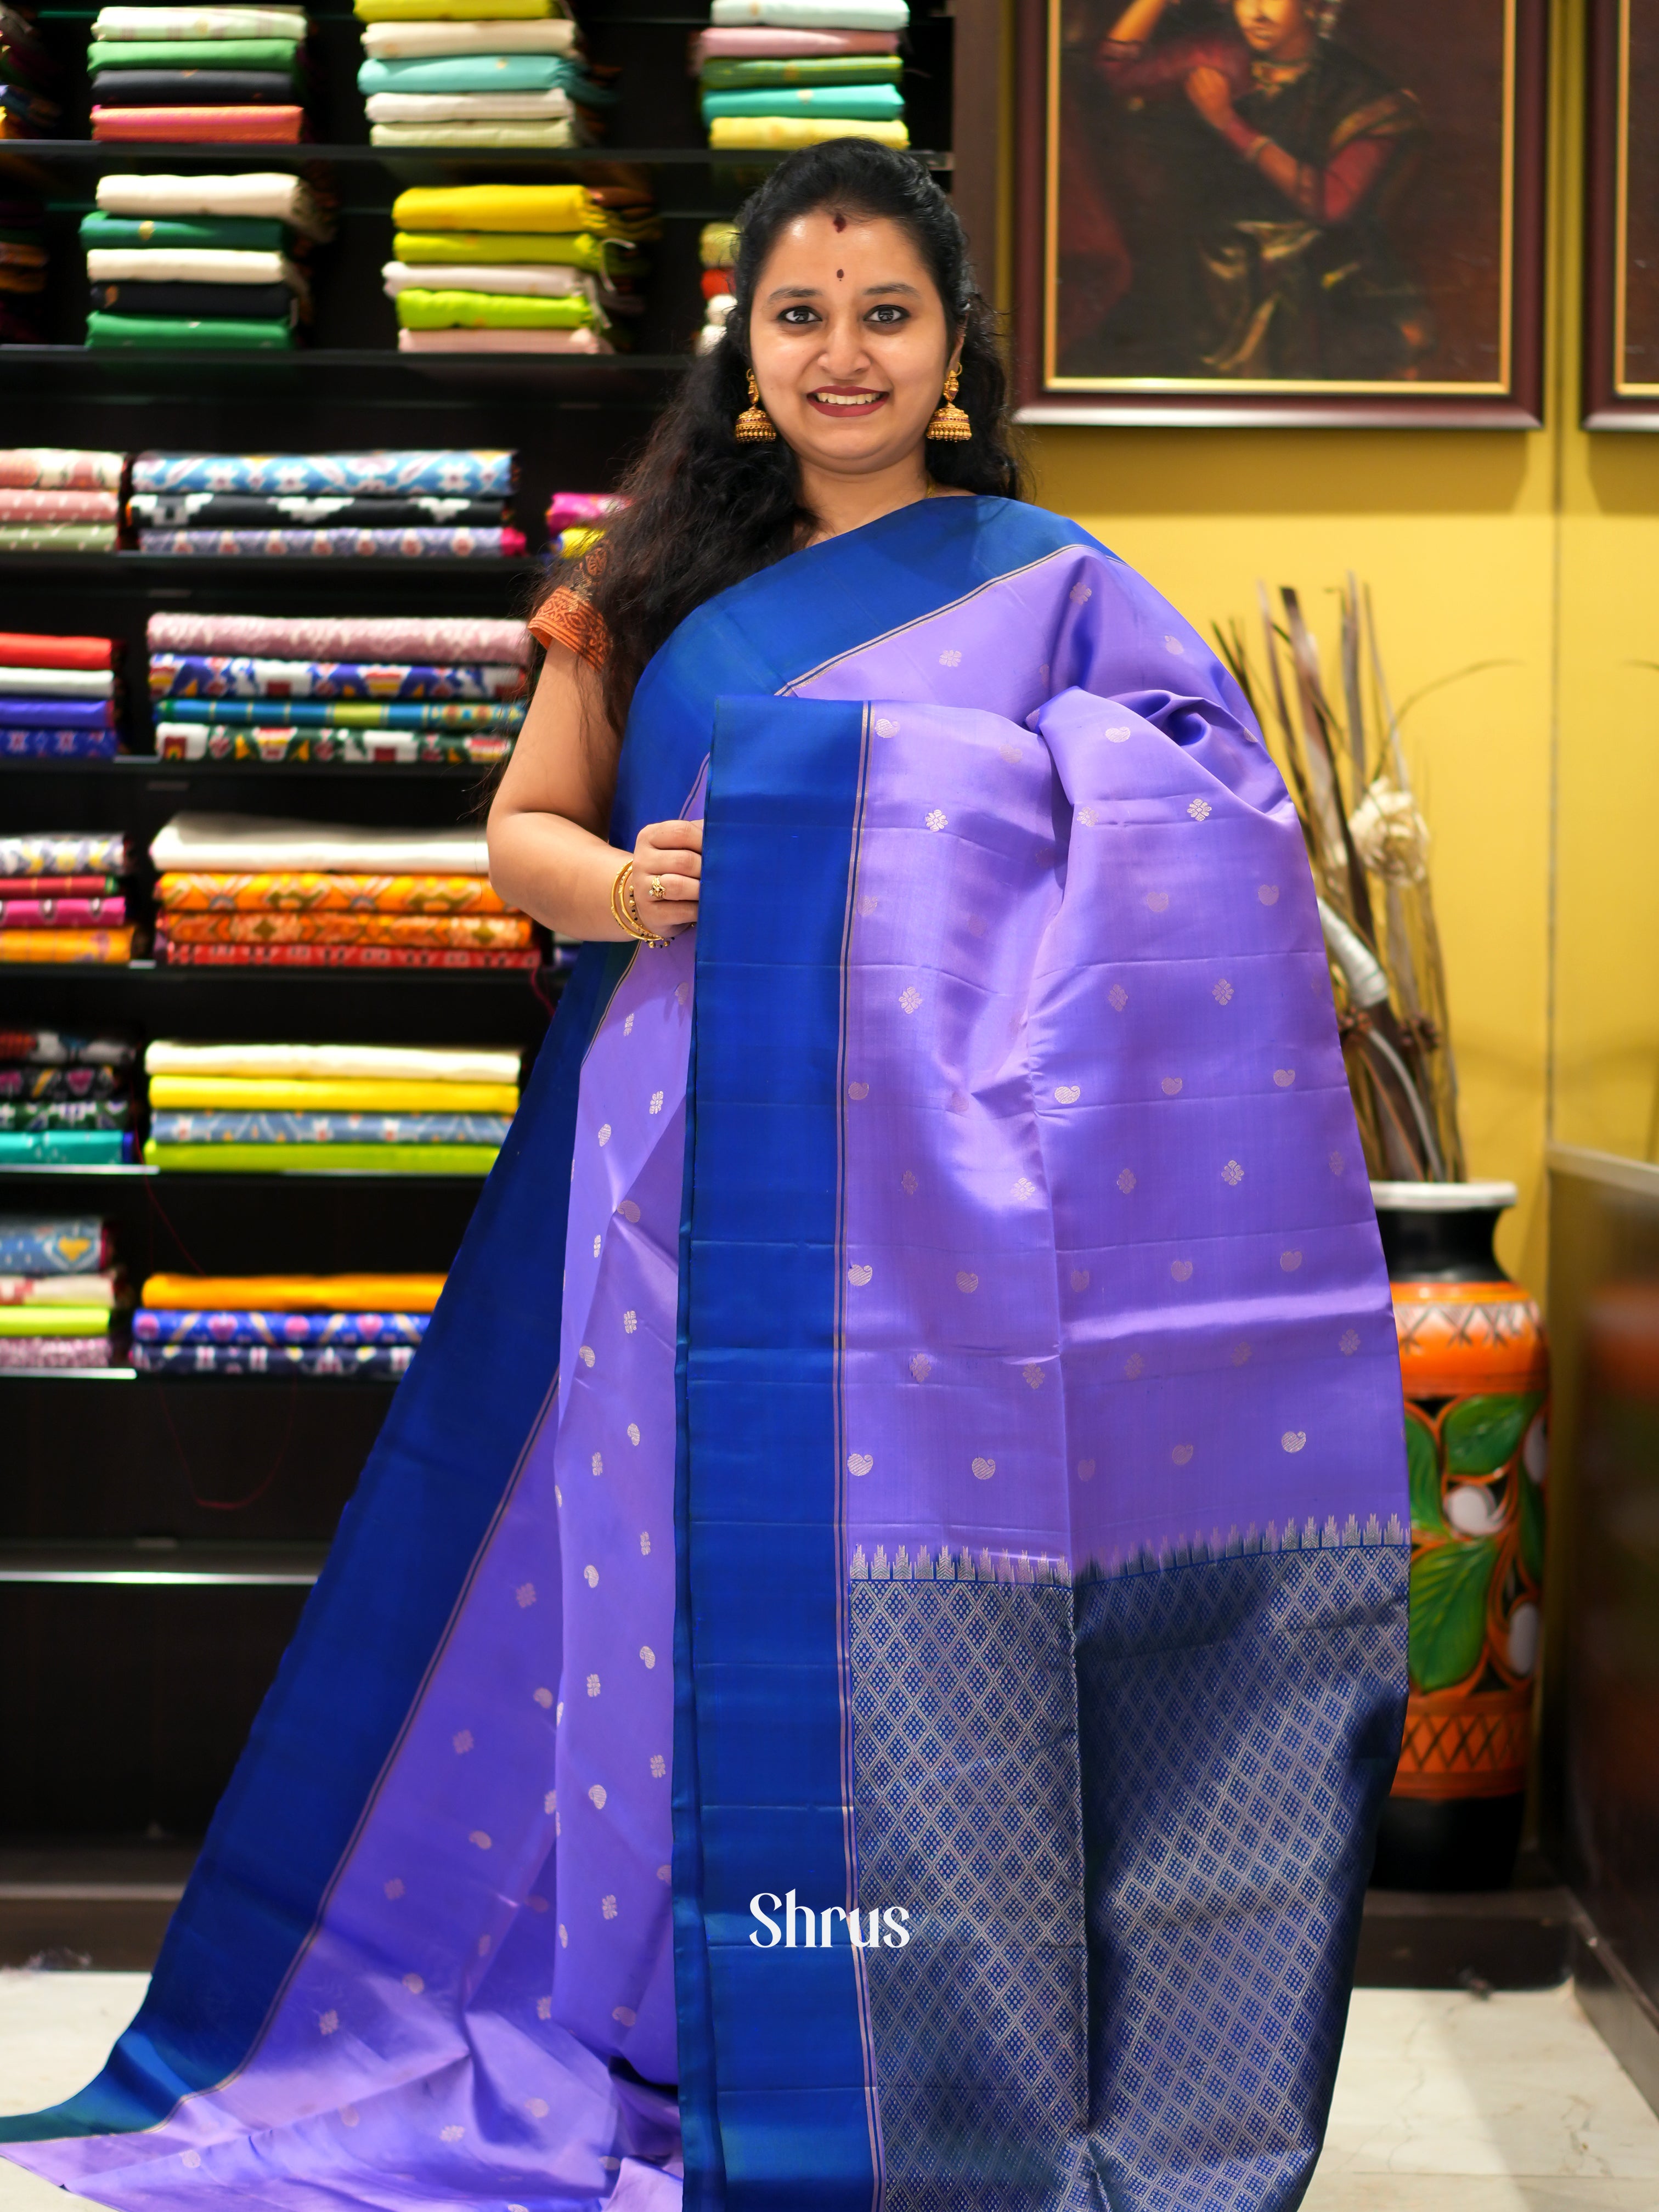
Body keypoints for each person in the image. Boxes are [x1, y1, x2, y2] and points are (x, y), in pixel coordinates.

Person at [0, 140, 1408, 2210]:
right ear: (742, 349)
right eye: (798, 313)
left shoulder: (1056, 586)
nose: (841, 353)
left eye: (886, 313)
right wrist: (635, 878)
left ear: (951, 351)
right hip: (666, 1164)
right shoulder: (641, 582)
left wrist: (921, 798)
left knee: (895, 1596)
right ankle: (667, 2019)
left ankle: (892, 2009)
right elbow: (523, 836)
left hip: (936, 1212)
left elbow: (1198, 807)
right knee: (658, 1585)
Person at [1066, 0, 1428, 380]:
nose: (1254, 12)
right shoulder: (1220, 55)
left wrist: (1228, 124)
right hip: (1214, 275)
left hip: (1318, 279)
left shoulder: (1362, 93)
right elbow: (1112, 72)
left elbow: (1330, 204)